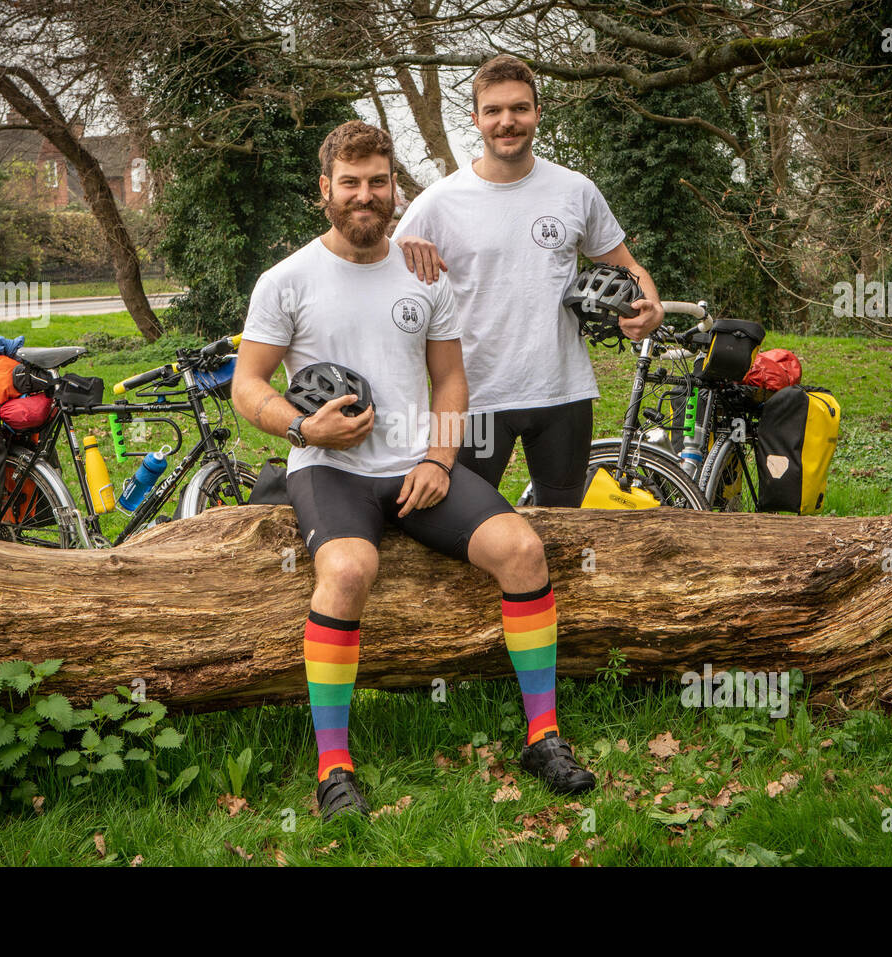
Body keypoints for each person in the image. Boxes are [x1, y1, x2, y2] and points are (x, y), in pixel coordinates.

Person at [232, 120, 596, 821]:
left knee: (522, 549)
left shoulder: (424, 272)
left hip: (415, 468)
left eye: (377, 181)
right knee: (346, 572)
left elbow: (452, 381)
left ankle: (543, 735)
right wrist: (306, 427)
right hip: (328, 469)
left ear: (394, 187)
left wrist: (439, 456)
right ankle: (334, 768)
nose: (364, 196)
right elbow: (248, 386)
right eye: (350, 183)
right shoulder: (287, 280)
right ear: (325, 191)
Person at [394, 54, 665, 506]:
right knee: (457, 524)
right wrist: (398, 248)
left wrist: (650, 307)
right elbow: (378, 272)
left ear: (538, 113)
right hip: (469, 397)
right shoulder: (438, 203)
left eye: (519, 108)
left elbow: (627, 265)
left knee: (562, 524)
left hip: (562, 392)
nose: (508, 121)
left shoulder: (575, 190)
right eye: (495, 111)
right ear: (476, 119)